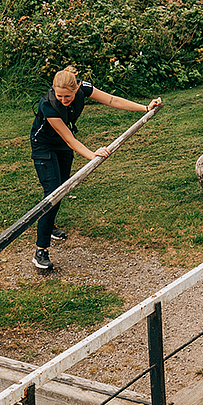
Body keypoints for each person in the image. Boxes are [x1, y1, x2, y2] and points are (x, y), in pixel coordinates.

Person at [29, 66, 159, 272]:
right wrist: (92, 155)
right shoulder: (47, 104)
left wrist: (144, 107)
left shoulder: (83, 87)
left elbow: (112, 100)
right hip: (44, 146)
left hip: (62, 144)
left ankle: (49, 225)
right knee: (52, 192)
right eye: (60, 96)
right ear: (53, 91)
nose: (64, 100)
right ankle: (41, 250)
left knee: (62, 187)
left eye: (68, 96)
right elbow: (70, 139)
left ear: (77, 88)